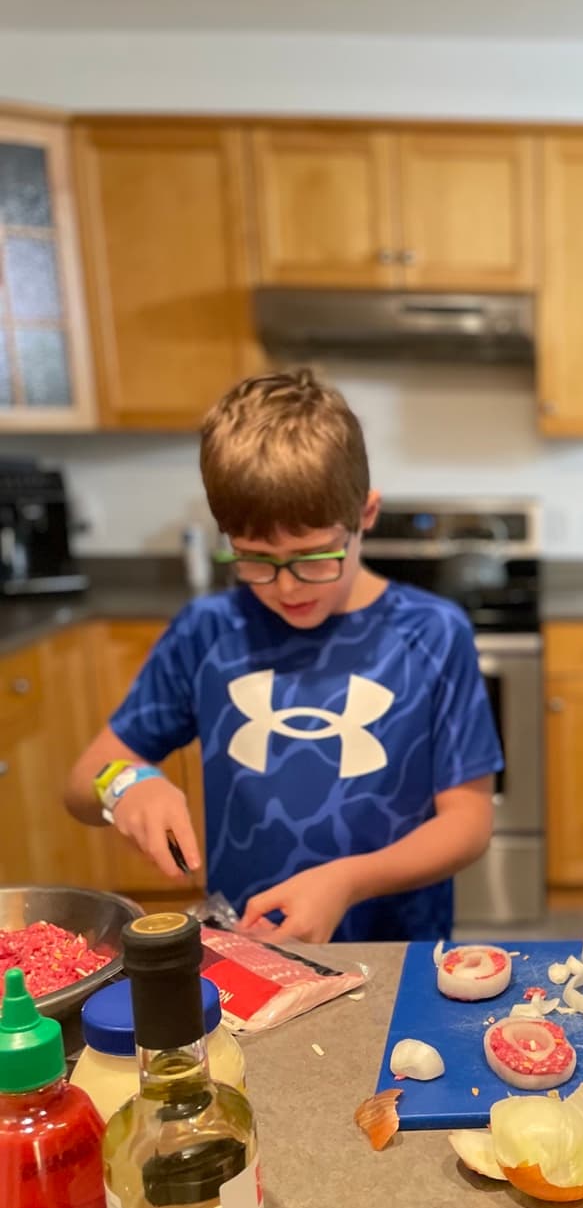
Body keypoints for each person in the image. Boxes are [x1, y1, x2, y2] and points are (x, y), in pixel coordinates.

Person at [65, 369, 502, 943]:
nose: (287, 586)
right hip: (249, 951)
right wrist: (126, 784)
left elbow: (469, 824)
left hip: (398, 949)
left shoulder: (433, 632)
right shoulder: (207, 631)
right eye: (254, 559)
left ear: (366, 515)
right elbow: (79, 785)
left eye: (313, 557)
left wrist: (348, 881)